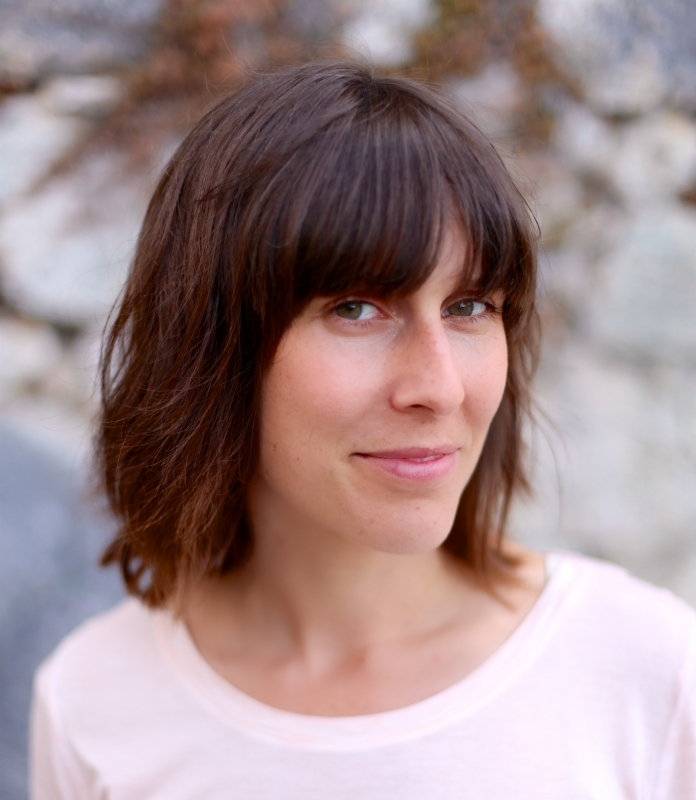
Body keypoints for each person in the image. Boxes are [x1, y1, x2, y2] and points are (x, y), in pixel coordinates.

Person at [30, 60, 695, 799]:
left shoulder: (649, 676)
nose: (440, 386)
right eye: (355, 309)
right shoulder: (94, 704)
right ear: (213, 347)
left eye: (470, 306)